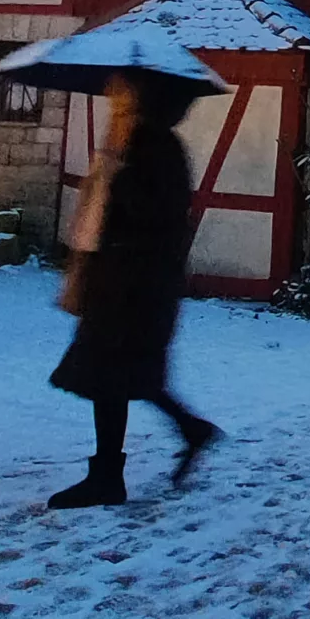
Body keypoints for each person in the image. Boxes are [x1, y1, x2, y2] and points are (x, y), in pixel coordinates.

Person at [46, 71, 222, 507]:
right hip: (122, 281)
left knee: (112, 374)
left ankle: (109, 476)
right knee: (121, 374)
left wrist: (117, 173)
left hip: (134, 285)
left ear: (145, 101)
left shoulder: (154, 148)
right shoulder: (138, 143)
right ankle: (187, 430)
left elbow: (152, 214)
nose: (115, 100)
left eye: (122, 94)